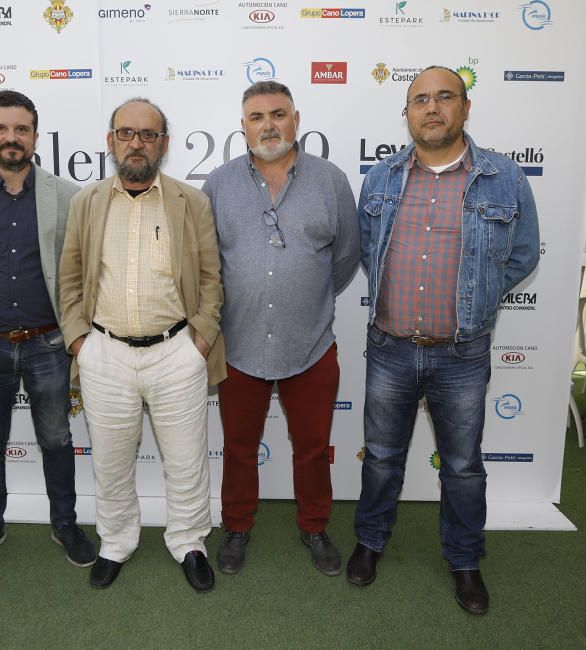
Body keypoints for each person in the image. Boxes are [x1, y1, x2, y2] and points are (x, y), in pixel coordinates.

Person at [351, 66, 540, 614]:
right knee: (382, 457)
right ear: (407, 114)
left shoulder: (505, 179)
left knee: (461, 465)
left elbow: (524, 255)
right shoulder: (381, 178)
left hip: (462, 354)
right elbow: (370, 251)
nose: (431, 108)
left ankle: (464, 559)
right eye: (419, 100)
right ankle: (369, 542)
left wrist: (475, 298)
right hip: (389, 348)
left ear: (464, 108)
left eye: (444, 98)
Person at [58, 98, 225, 592]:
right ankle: (115, 542)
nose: (137, 142)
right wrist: (79, 342)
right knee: (109, 458)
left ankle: (190, 542)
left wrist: (199, 340)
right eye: (126, 133)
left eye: (148, 135)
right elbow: (69, 277)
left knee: (186, 458)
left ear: (164, 145)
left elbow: (213, 279)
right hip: (104, 353)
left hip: (177, 352)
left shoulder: (190, 202)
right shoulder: (86, 203)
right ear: (110, 141)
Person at [202, 81, 360, 577]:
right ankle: (236, 527)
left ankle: (315, 526)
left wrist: (303, 301)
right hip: (239, 345)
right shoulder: (219, 184)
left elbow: (347, 258)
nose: (268, 125)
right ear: (242, 126)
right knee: (239, 448)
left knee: (314, 449)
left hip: (311, 345)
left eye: (277, 114)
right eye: (256, 117)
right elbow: (209, 261)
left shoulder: (331, 181)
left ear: (296, 119)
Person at [0, 90, 94, 576]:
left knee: (55, 437)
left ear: (34, 136)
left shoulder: (68, 197)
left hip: (49, 344)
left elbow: (78, 272)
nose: (12, 138)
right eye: (1, 128)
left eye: (21, 129)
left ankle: (65, 523)